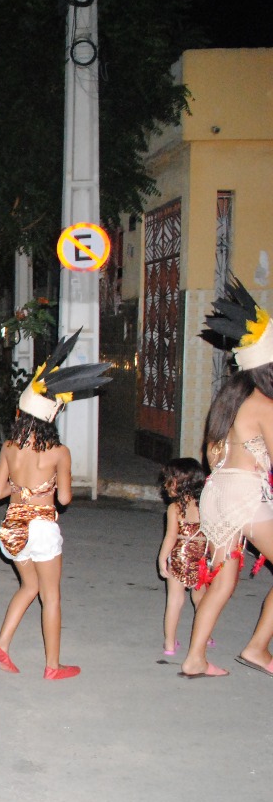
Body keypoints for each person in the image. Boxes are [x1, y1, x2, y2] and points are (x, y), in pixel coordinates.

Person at [0, 331, 110, 679]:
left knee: (29, 586)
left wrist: (21, 489)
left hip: (12, 527)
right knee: (51, 596)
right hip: (40, 527)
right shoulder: (59, 452)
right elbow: (65, 499)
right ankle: (53, 666)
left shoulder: (9, 447)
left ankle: (1, 646)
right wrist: (46, 487)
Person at [192, 277, 273, 678]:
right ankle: (257, 647)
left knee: (223, 581)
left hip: (217, 492)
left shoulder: (228, 400)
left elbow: (212, 455)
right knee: (223, 580)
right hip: (244, 496)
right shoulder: (264, 404)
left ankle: (195, 658)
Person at [156, 458, 213, 657]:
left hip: (179, 556)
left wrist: (162, 559)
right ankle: (204, 637)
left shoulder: (175, 509)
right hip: (200, 558)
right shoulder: (206, 506)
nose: (166, 485)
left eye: (170, 480)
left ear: (183, 483)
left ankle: (170, 644)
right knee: (202, 600)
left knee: (174, 601)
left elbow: (171, 536)